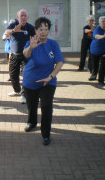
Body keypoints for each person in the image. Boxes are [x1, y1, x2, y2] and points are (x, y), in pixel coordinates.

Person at [22, 17, 64, 146]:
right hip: (31, 80)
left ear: (49, 31)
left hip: (47, 81)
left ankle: (46, 133)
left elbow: (59, 62)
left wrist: (51, 77)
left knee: (46, 106)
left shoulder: (53, 44)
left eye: (46, 29)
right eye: (40, 29)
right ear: (36, 30)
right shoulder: (32, 42)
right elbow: (25, 54)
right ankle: (32, 122)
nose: (43, 32)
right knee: (32, 105)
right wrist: (30, 48)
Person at [4, 9, 35, 103]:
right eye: (21, 16)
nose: (23, 17)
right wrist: (13, 30)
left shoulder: (30, 27)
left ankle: (24, 95)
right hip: (14, 54)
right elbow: (6, 33)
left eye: (25, 15)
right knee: (13, 75)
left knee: (27, 74)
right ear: (17, 17)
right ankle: (17, 90)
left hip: (26, 55)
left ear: (28, 17)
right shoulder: (14, 25)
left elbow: (35, 38)